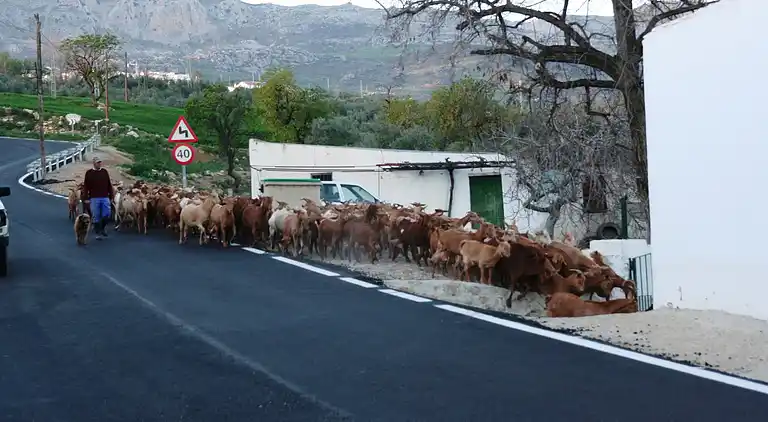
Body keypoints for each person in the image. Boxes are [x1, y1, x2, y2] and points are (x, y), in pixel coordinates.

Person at [83, 156, 114, 240]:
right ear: (94, 163)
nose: (99, 164)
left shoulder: (104, 172)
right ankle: (98, 233)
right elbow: (86, 186)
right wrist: (85, 198)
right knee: (96, 216)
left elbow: (109, 184)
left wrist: (111, 196)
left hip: (105, 196)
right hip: (94, 197)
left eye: (100, 162)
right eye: (97, 162)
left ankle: (102, 228)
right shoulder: (89, 173)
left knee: (107, 214)